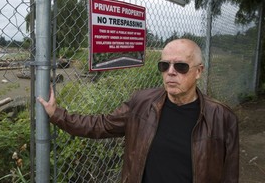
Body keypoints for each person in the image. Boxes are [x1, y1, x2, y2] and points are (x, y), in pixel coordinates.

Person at [38, 38, 239, 183]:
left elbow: (230, 176)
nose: (171, 72)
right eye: (164, 65)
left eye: (181, 66)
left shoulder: (222, 118)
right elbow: (100, 125)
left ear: (199, 71)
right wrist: (57, 114)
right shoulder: (142, 103)